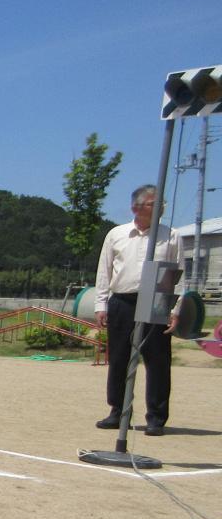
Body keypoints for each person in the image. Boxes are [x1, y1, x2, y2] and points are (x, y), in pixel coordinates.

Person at [94, 184, 182, 436]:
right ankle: (118, 411)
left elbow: (179, 273)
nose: (161, 207)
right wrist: (101, 304)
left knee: (158, 361)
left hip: (156, 300)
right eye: (155, 203)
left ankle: (156, 417)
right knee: (118, 359)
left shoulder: (171, 235)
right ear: (136, 207)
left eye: (162, 203)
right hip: (122, 301)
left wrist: (176, 309)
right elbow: (104, 271)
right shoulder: (117, 234)